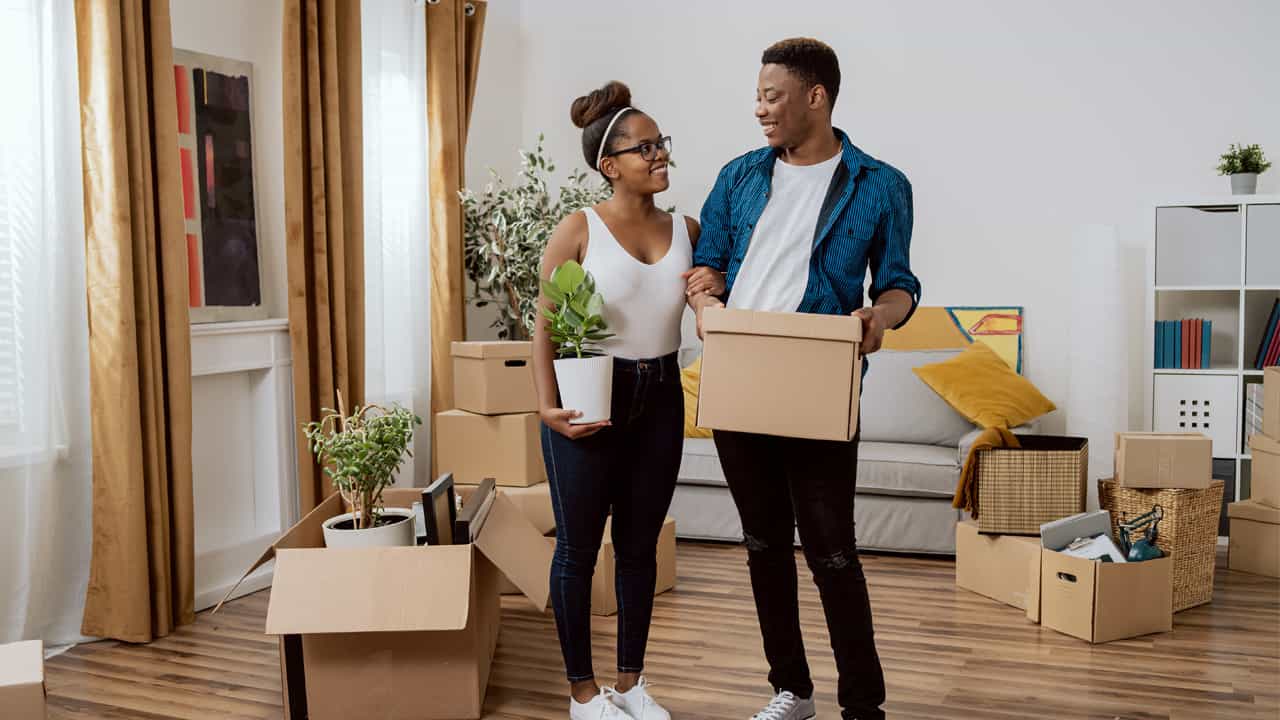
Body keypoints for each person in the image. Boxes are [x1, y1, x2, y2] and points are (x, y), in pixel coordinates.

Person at [685, 38, 921, 720]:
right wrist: (704, 303)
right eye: (757, 97)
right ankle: (791, 690)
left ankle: (863, 708)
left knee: (833, 553)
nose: (760, 109)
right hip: (740, 375)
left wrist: (880, 317)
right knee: (763, 546)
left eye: (772, 96)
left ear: (815, 97)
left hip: (821, 380)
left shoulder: (881, 185)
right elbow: (708, 264)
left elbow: (899, 284)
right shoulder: (738, 177)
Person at [534, 80, 724, 720]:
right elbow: (544, 324)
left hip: (662, 396)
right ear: (609, 165)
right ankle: (583, 694)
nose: (659, 154)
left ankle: (630, 685)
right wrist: (546, 407)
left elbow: (711, 297)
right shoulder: (579, 229)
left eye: (660, 142)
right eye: (644, 147)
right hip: (590, 395)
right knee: (578, 550)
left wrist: (714, 282)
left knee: (640, 549)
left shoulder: (689, 229)